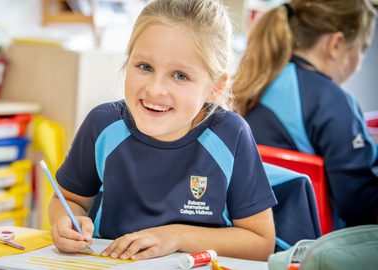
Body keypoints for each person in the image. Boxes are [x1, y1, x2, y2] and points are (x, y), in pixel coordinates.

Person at [49, 0, 277, 261]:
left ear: (215, 86)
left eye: (180, 75)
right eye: (144, 67)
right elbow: (68, 201)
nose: (155, 89)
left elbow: (261, 242)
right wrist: (68, 222)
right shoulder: (102, 125)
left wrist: (176, 236)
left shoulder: (231, 134)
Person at [232, 0, 378, 227]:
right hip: (315, 247)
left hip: (256, 233)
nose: (360, 60)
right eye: (363, 48)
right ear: (336, 44)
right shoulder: (331, 100)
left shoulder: (257, 81)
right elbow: (360, 204)